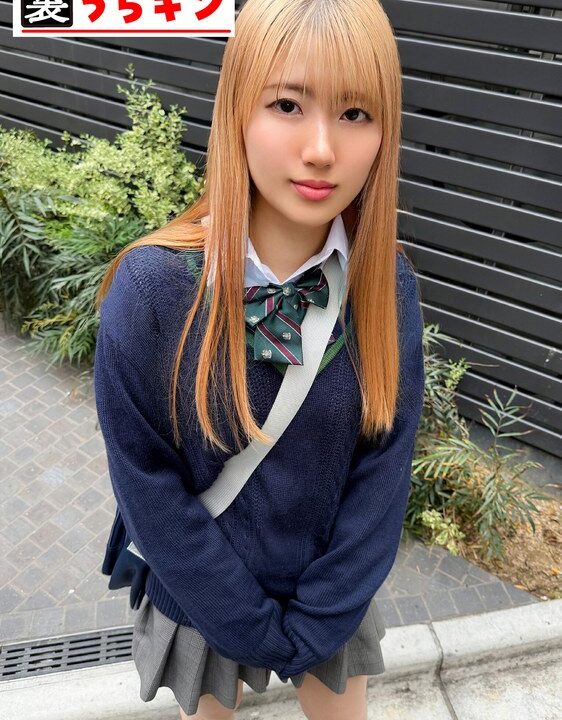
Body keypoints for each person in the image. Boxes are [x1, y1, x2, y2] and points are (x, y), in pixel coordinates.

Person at [93, 0, 426, 718]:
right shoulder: (153, 289)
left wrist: (321, 617)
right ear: (237, 109)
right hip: (202, 594)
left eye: (356, 113)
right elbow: (145, 480)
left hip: (330, 595)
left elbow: (386, 462)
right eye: (287, 104)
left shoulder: (385, 285)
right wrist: (246, 625)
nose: (321, 149)